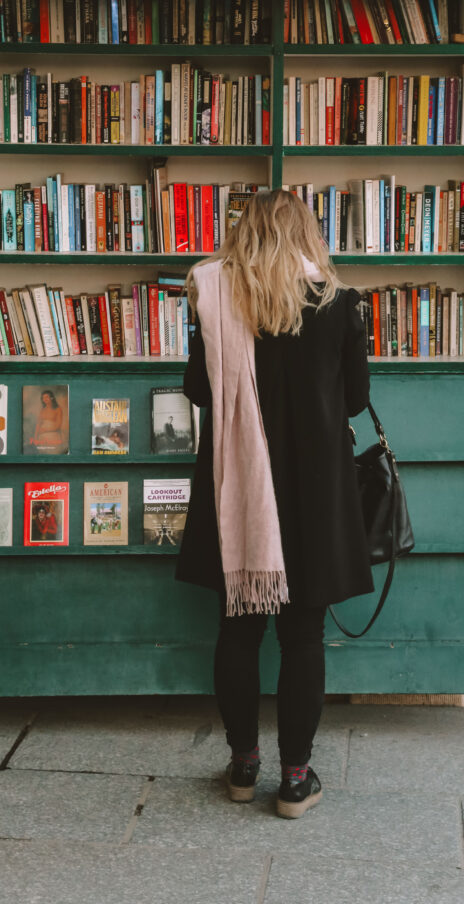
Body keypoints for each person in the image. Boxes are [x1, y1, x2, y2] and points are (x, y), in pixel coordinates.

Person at [177, 189, 372, 820]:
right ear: (306, 233)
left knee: (238, 627)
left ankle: (241, 767)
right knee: (304, 634)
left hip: (237, 488)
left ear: (244, 232)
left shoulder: (212, 294)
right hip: (314, 489)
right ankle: (294, 780)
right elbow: (354, 398)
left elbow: (196, 392)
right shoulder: (338, 302)